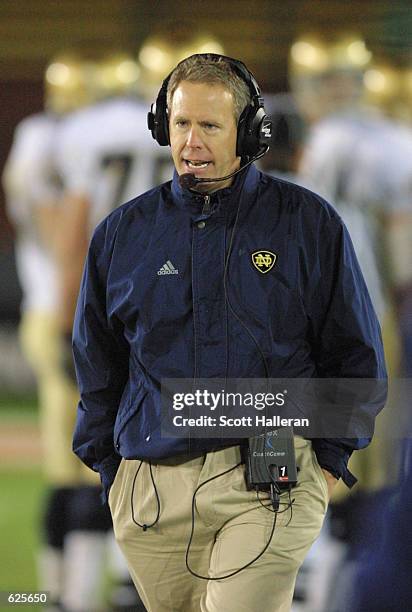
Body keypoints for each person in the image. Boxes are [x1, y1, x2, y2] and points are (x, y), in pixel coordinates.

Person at [72, 54, 386, 612]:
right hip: (150, 488)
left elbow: (355, 353)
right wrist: (113, 472)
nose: (191, 141)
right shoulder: (122, 234)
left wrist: (328, 460)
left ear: (248, 132)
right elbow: (98, 364)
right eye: (180, 123)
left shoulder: (308, 224)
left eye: (210, 125)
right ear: (161, 127)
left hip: (270, 476)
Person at [2, 54, 113, 612]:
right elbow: (56, 231)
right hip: (69, 313)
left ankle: (64, 597)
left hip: (61, 310)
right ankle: (71, 598)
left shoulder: (51, 137)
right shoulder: (60, 139)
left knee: (80, 469)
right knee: (92, 470)